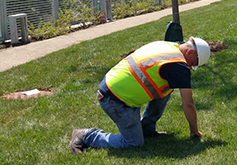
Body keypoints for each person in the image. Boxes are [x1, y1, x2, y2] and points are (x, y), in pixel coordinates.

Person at [68, 37, 212, 153]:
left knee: (167, 88)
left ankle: (146, 130)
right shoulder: (178, 65)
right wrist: (194, 130)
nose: (191, 68)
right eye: (193, 64)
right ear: (190, 53)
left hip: (112, 86)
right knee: (133, 144)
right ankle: (87, 135)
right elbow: (188, 103)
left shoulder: (166, 46)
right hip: (115, 100)